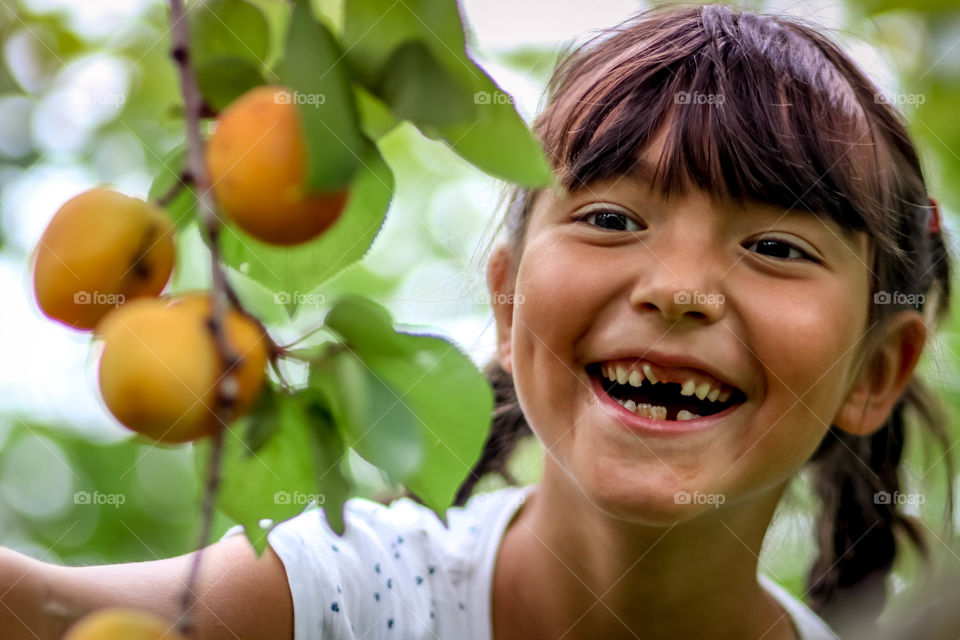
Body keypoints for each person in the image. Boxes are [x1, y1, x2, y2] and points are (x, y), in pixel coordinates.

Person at [0, 3, 953, 639]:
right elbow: (44, 611)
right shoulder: (360, 594)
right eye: (613, 219)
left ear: (877, 370)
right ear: (506, 303)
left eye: (779, 248)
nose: (682, 290)